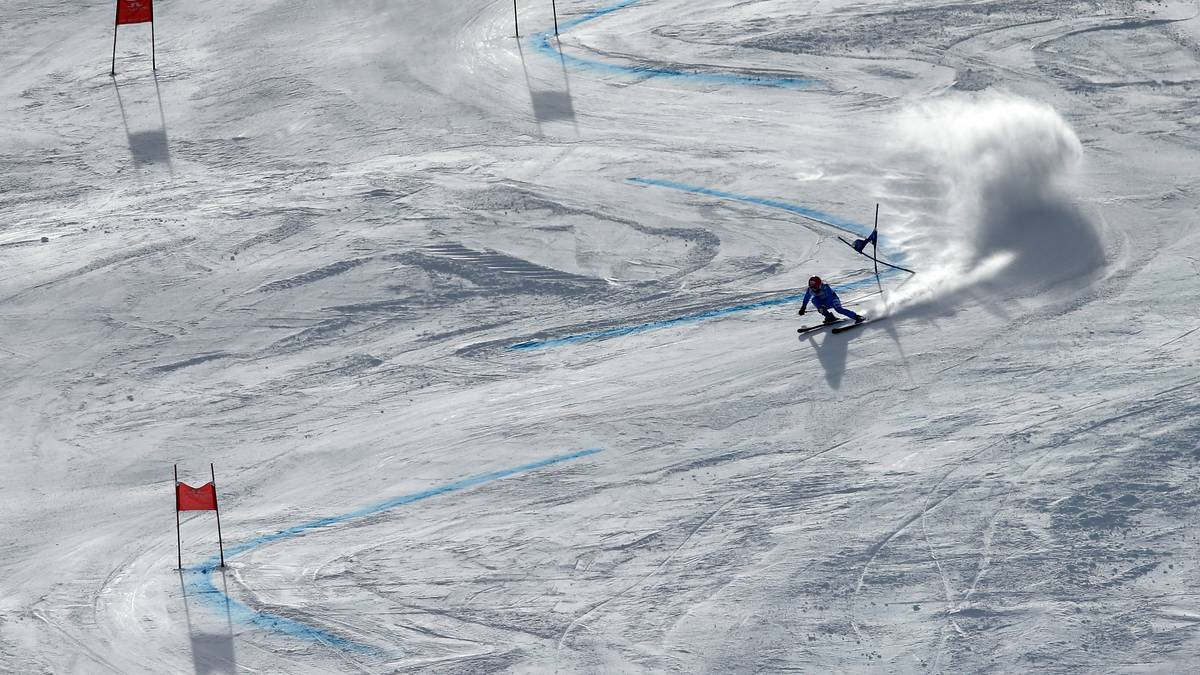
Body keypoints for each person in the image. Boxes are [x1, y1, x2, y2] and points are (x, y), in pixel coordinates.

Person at [798, 276, 864, 324]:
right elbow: (806, 298)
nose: (813, 289)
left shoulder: (825, 287)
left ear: (819, 284)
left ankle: (857, 317)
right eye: (811, 287)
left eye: (815, 287)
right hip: (823, 302)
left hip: (833, 299)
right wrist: (803, 308)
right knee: (814, 299)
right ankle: (829, 317)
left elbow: (829, 297)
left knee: (839, 310)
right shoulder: (810, 290)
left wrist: (823, 306)